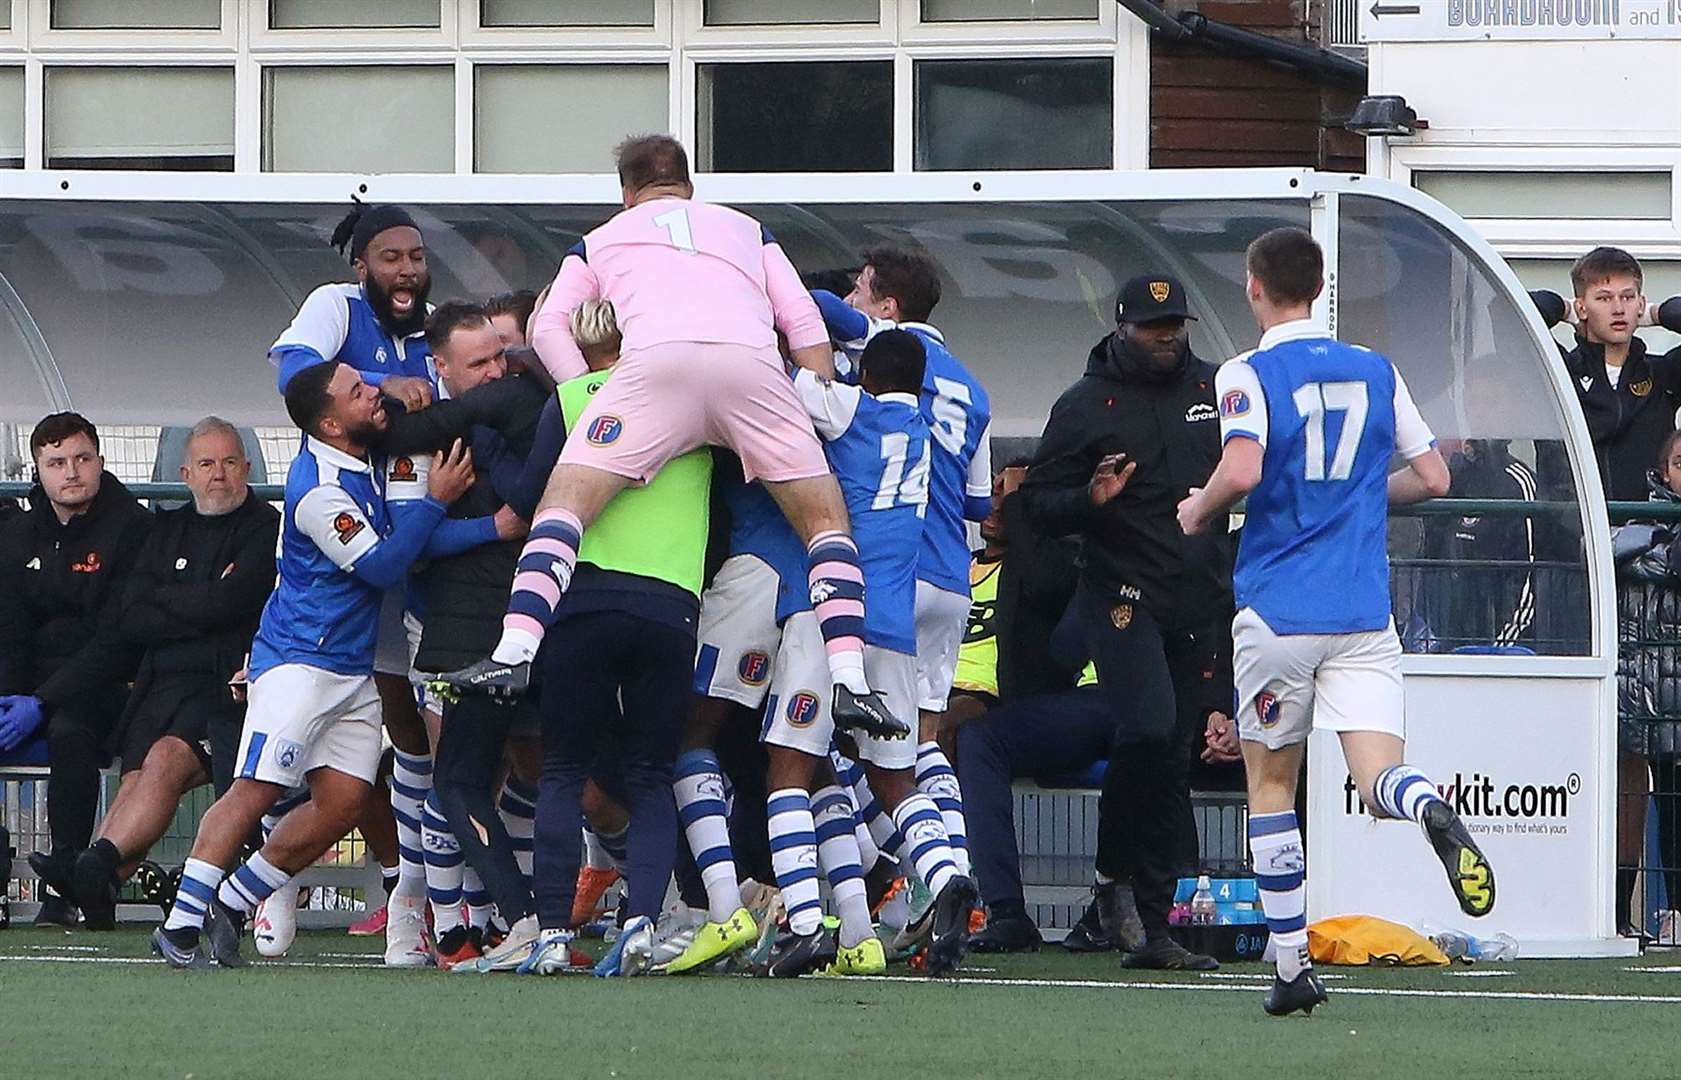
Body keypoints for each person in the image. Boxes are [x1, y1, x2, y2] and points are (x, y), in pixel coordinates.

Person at [436, 135, 906, 744]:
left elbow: (547, 323)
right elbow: (803, 320)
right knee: (824, 524)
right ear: (688, 185)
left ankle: (514, 652)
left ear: (627, 192)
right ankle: (851, 681)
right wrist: (811, 399)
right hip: (750, 367)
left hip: (655, 370)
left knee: (564, 507)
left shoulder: (602, 238)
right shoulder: (747, 231)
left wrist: (589, 394)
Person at [1176, 226, 1495, 1017]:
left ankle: (1289, 967)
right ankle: (1426, 805)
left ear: (1254, 288)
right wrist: (1354, 499)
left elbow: (1242, 467)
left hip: (1279, 611)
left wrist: (1198, 508)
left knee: (1270, 785)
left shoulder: (1244, 373)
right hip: (1361, 610)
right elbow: (1434, 476)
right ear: (1318, 289)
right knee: (1374, 777)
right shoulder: (1374, 369)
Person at [152, 361, 473, 969]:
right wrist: (436, 501)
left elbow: (410, 537)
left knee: (346, 802)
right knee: (256, 787)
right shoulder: (320, 488)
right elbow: (382, 567)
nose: (372, 395)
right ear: (329, 423)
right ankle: (180, 922)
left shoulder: (363, 455)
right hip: (300, 662)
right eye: (358, 393)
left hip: (350, 668)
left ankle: (236, 899)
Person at [475, 306, 722, 979]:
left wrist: (487, 442)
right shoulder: (697, 404)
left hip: (582, 599)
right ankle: (642, 923)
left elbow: (530, 498)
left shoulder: (570, 397)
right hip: (670, 602)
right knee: (649, 775)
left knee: (562, 769)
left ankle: (552, 934)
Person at [1019, 273, 1234, 972]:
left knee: (1169, 754)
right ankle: (1117, 884)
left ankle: (1149, 918)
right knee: (1145, 728)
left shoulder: (1214, 391)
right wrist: (1090, 496)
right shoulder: (1083, 404)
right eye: (1152, 325)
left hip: (1195, 598)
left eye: (1175, 323)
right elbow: (1038, 507)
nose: (1166, 336)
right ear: (1120, 327)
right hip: (1119, 593)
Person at [756, 330, 977, 978]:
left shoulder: (853, 407)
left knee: (787, 768)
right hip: (896, 632)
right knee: (894, 779)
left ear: (867, 375)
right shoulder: (923, 429)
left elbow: (776, 374)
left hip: (831, 614)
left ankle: (803, 922)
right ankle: (942, 876)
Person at [266, 201, 445, 963]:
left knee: (406, 729)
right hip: (338, 559)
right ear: (360, 265)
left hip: (411, 551)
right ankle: (267, 883)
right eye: (390, 257)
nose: (405, 270)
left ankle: (410, 898)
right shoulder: (333, 306)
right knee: (300, 746)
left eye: (415, 256)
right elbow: (292, 376)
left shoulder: (434, 329)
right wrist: (387, 383)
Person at [811, 244, 993, 880]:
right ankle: (954, 872)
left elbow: (815, 306)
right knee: (921, 741)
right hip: (950, 579)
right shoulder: (975, 388)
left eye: (862, 290)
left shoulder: (875, 345)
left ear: (888, 307)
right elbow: (979, 503)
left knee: (822, 732)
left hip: (885, 575)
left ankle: (878, 860)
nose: (853, 300)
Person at [68, 418, 280, 930]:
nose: (219, 475)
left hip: (226, 688)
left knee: (163, 759)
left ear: (247, 468)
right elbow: (131, 615)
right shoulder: (165, 529)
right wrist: (203, 601)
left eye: (230, 463)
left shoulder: (267, 528)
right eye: (206, 464)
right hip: (160, 680)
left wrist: (174, 604)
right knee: (136, 776)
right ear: (185, 473)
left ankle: (91, 866)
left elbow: (236, 601)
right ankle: (100, 884)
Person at [0, 412, 152, 927]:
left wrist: (41, 701)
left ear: (100, 462)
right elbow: (12, 629)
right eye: (57, 462)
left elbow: (118, 639)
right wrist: (10, 697)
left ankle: (66, 877)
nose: (71, 472)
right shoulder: (18, 535)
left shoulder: (134, 529)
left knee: (71, 730)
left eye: (82, 459)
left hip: (107, 688)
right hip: (32, 687)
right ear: (38, 470)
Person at [1556, 248, 1681, 503]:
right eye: (1603, 299)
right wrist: (1563, 310)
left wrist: (1656, 314)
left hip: (1650, 534)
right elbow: (1506, 317)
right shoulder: (1559, 370)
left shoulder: (1664, 373)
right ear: (1582, 306)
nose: (1618, 309)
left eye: (1627, 297)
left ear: (1640, 303)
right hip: (1577, 534)